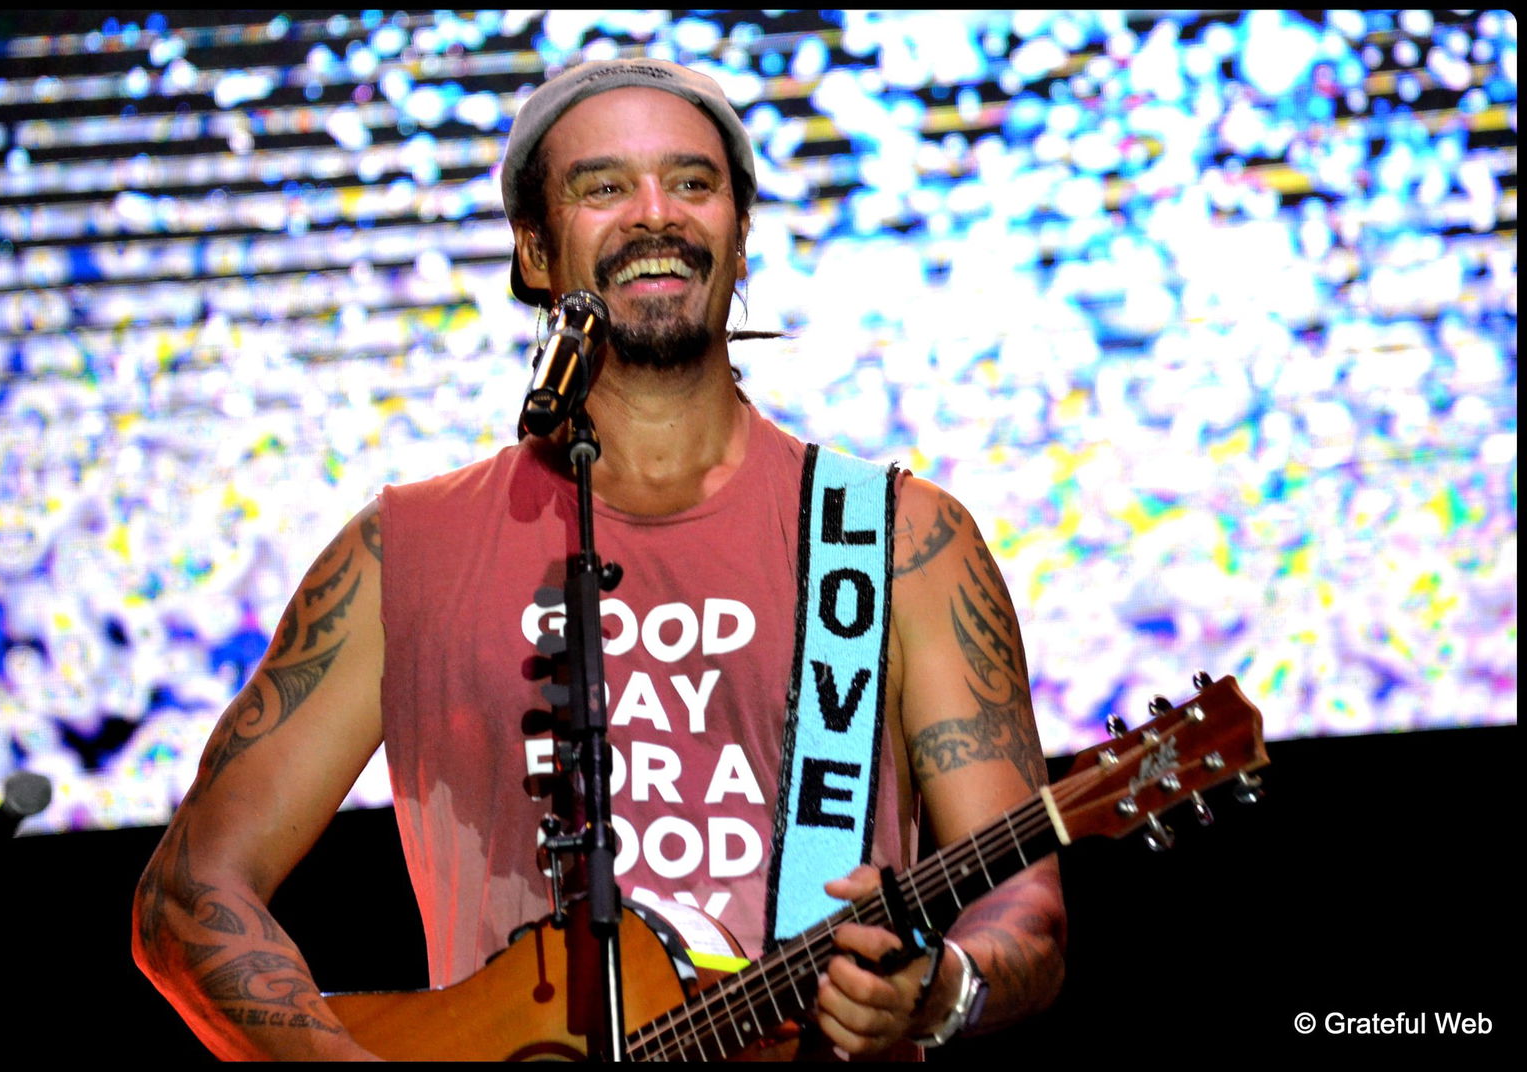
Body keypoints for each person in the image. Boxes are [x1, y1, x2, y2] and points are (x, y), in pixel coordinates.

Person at [132, 58, 1065, 1061]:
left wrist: (944, 987)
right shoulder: (403, 551)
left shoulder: (902, 540)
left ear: (740, 231)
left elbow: (1023, 905)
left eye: (693, 182)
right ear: (535, 250)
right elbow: (189, 893)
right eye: (605, 187)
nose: (656, 214)